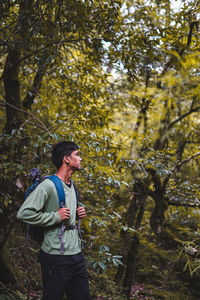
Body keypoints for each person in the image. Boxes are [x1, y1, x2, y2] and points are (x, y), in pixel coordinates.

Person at [17, 141, 91, 300]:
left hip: (76, 255)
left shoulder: (72, 186)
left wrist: (76, 215)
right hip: (55, 257)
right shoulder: (48, 185)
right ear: (66, 159)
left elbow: (64, 213)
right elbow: (23, 213)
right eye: (77, 155)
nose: (80, 159)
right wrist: (55, 217)